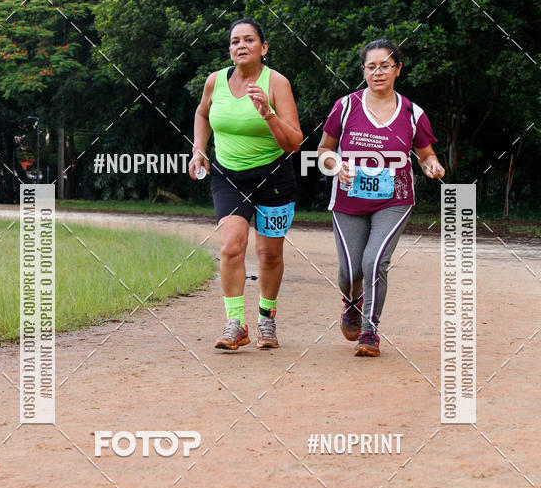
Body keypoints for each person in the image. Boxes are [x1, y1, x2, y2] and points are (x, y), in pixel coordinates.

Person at [317, 38, 444, 357]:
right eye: (371, 66)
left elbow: (425, 154)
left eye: (385, 65)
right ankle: (352, 302)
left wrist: (432, 166)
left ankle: (370, 332)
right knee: (351, 271)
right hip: (348, 197)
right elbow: (323, 151)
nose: (378, 72)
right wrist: (336, 166)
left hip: (394, 198)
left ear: (398, 69)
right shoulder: (345, 107)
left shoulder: (413, 113)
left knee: (375, 262)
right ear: (363, 71)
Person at [190, 19, 303, 350]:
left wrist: (268, 113)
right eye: (235, 41)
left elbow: (294, 142)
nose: (241, 45)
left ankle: (267, 320)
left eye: (249, 40)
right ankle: (235, 324)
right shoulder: (215, 81)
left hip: (274, 176)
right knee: (231, 246)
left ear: (263, 48)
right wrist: (199, 149)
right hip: (228, 176)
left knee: (268, 254)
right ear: (229, 49)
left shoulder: (277, 83)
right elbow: (201, 113)